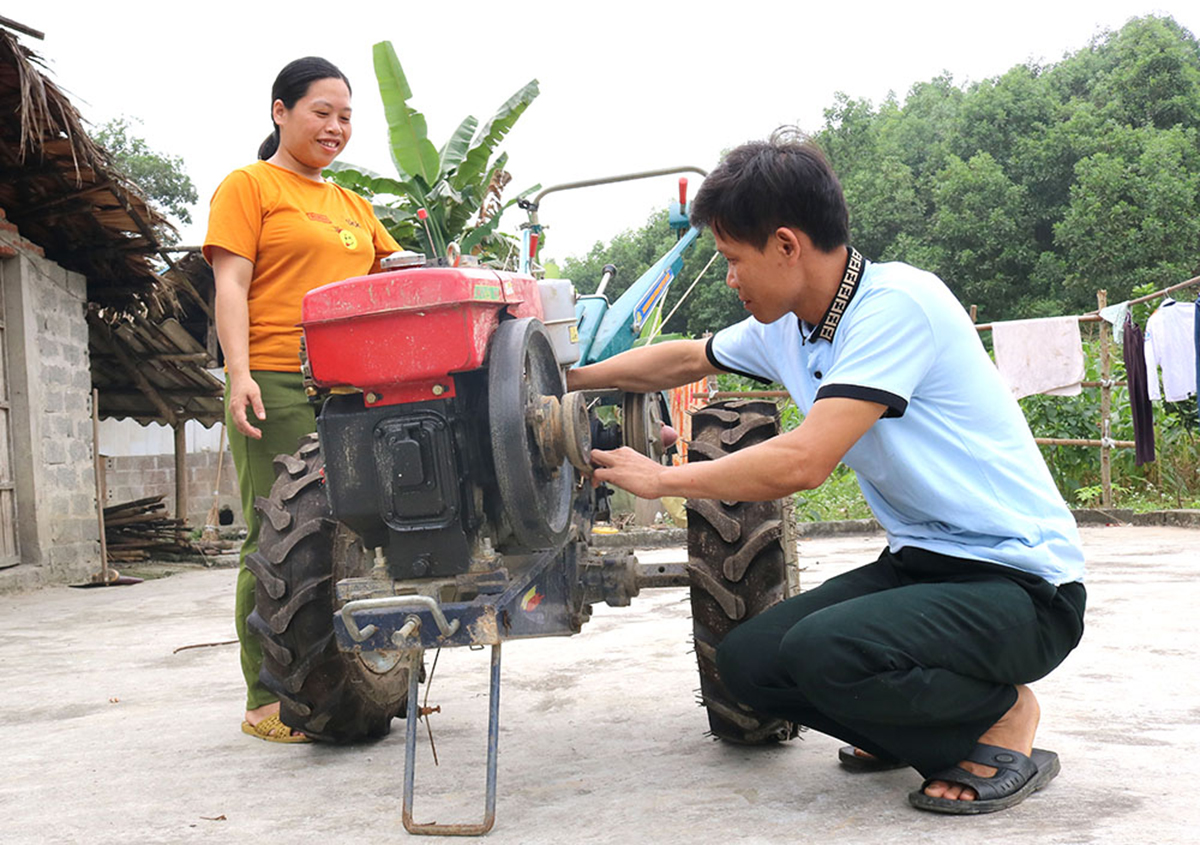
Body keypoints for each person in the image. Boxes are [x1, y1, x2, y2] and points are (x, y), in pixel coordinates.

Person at [567, 128, 1086, 814]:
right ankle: (905, 724)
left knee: (820, 648)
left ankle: (1003, 716)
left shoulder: (896, 307)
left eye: (733, 259)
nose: (729, 277)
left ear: (786, 245)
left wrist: (662, 479)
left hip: (1021, 587)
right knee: (750, 661)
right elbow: (683, 358)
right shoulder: (788, 325)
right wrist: (567, 377)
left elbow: (807, 461)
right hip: (921, 565)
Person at [204, 57, 401, 743]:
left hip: (351, 386)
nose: (336, 126)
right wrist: (241, 372)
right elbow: (231, 286)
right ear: (280, 111)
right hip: (279, 377)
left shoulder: (353, 206)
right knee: (278, 531)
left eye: (346, 115)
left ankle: (363, 682)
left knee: (360, 531)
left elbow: (394, 281)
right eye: (322, 111)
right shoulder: (249, 186)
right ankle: (265, 699)